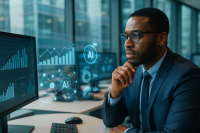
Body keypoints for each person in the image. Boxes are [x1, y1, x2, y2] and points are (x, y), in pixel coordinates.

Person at [101, 7, 200, 133]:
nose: (127, 43)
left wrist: (127, 132)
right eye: (126, 36)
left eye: (136, 35)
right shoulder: (132, 71)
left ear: (162, 38)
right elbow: (110, 121)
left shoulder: (188, 76)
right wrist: (115, 91)